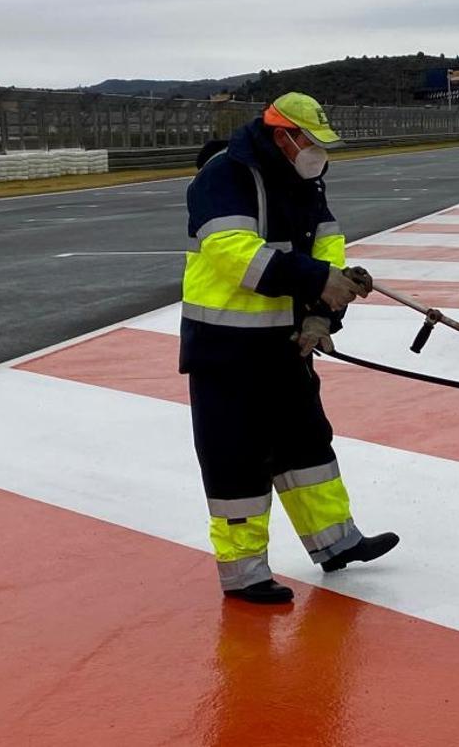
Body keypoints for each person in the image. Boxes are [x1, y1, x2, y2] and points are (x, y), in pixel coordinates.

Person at [180, 91, 398, 604]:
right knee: (236, 457)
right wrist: (318, 280)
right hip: (227, 348)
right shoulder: (224, 176)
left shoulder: (304, 178)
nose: (318, 153)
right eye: (311, 142)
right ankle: (245, 572)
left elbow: (329, 244)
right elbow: (238, 257)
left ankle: (336, 543)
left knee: (306, 443)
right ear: (283, 135)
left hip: (287, 343)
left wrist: (325, 311)